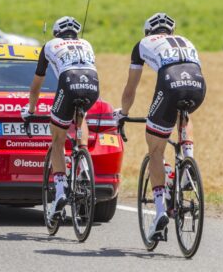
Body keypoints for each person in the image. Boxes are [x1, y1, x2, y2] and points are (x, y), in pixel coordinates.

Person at [114, 13, 206, 240]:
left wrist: (123, 114)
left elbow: (130, 88)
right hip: (198, 84)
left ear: (148, 32)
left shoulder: (142, 45)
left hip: (170, 83)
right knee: (183, 112)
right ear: (171, 31)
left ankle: (159, 212)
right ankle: (188, 162)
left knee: (155, 149)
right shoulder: (187, 41)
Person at [22, 16, 99, 220]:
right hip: (92, 84)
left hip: (69, 81)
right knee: (82, 114)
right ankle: (83, 163)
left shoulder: (50, 45)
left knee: (57, 139)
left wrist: (30, 110)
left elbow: (36, 84)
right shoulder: (86, 43)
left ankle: (60, 192)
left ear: (57, 33)